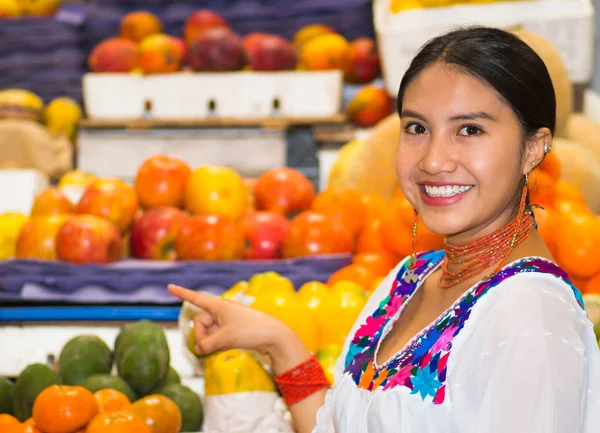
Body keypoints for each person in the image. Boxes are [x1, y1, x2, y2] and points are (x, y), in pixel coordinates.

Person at [168, 26, 600, 433]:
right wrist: (279, 342)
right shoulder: (409, 280)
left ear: (533, 148)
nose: (433, 160)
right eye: (417, 128)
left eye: (470, 129)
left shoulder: (529, 316)